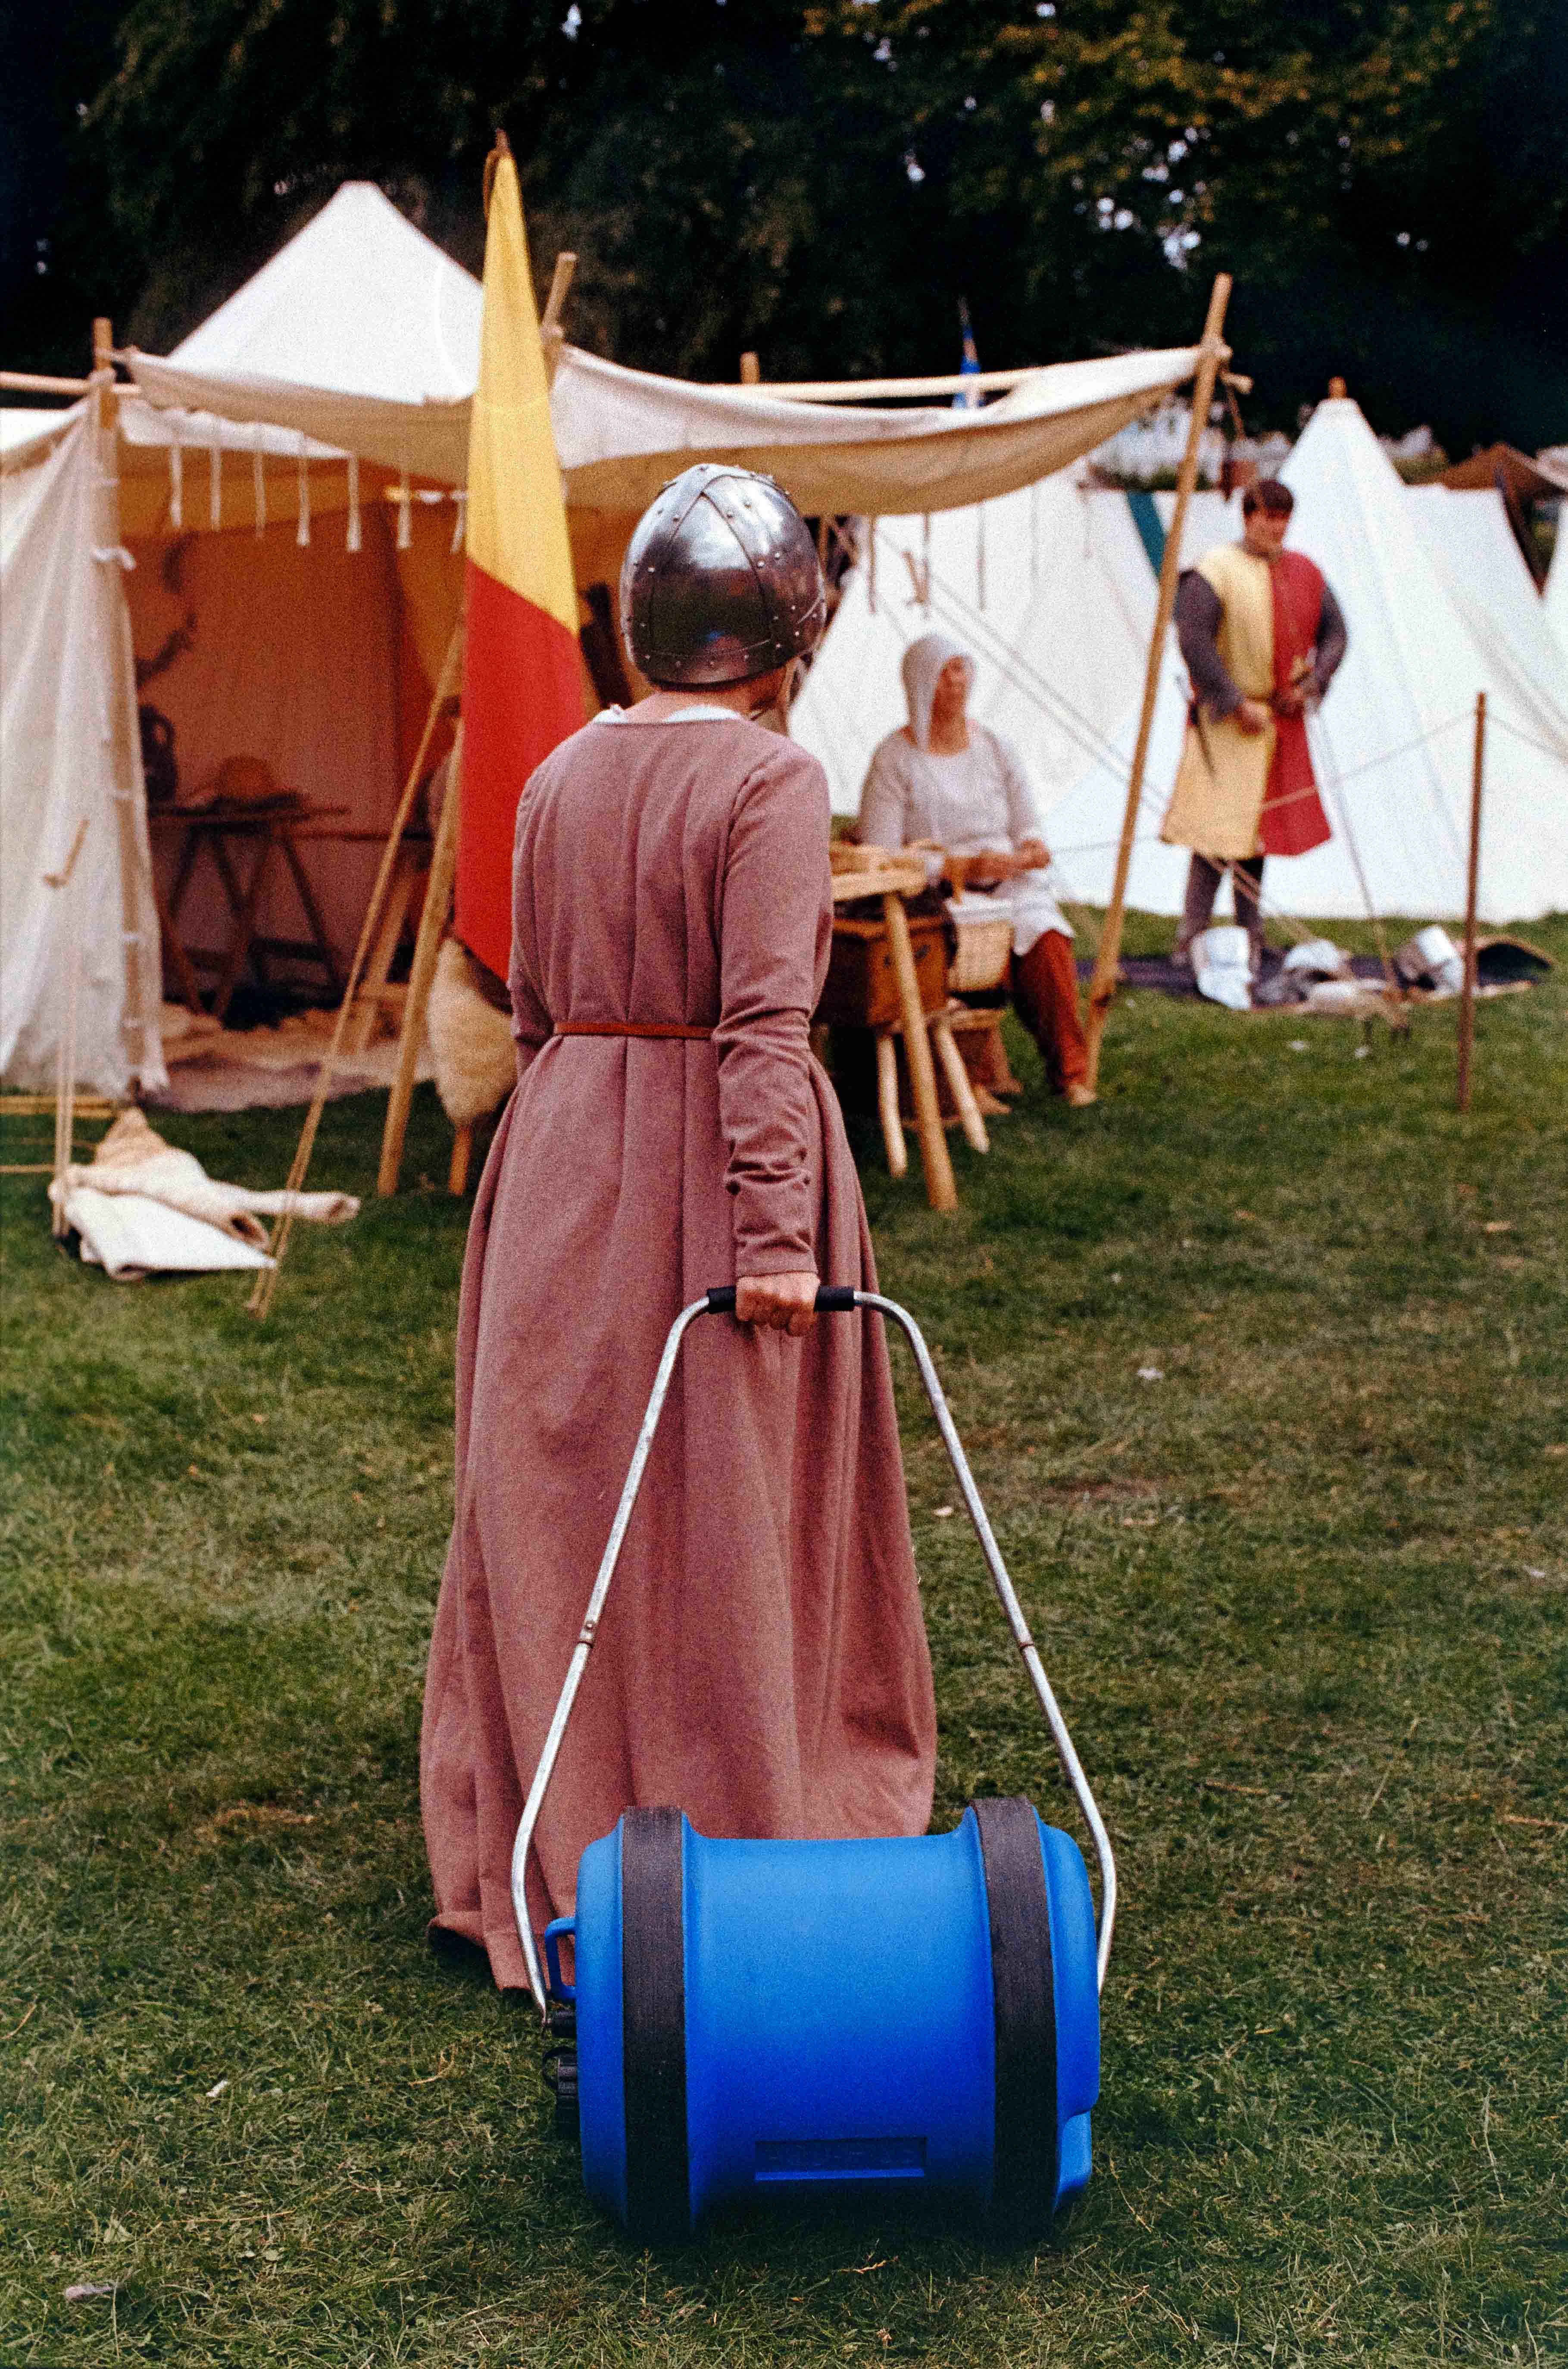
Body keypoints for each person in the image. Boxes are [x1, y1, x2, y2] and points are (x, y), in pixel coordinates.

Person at [421, 464, 936, 1988]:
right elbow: (764, 1025)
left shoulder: (557, 774)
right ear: (784, 634)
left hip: (564, 1147)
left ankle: (576, 1825)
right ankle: (714, 1824)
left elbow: (530, 1013)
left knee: (571, 1489)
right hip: (714, 1156)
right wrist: (775, 1234)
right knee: (720, 1488)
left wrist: (572, 1134)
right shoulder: (771, 781)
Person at [857, 631, 1095, 1106]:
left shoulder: (996, 747)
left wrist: (1030, 849)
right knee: (964, 950)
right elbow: (880, 852)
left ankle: (1070, 1072)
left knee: (1046, 939)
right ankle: (970, 1079)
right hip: (937, 894)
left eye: (961, 668)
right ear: (920, 683)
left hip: (1007, 886)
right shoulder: (895, 758)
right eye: (943, 672)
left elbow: (1027, 824)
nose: (956, 680)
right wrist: (960, 866)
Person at [1165, 478, 1349, 964]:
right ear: (1248, 516)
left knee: (1257, 836)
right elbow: (1194, 638)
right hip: (1228, 723)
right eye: (1269, 516)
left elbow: (1335, 633)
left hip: (1276, 721)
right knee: (1214, 836)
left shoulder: (1304, 571)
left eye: (1284, 518)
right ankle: (1192, 934)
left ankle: (1250, 933)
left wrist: (1311, 685)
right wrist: (1231, 700)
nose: (1277, 527)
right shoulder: (1216, 570)